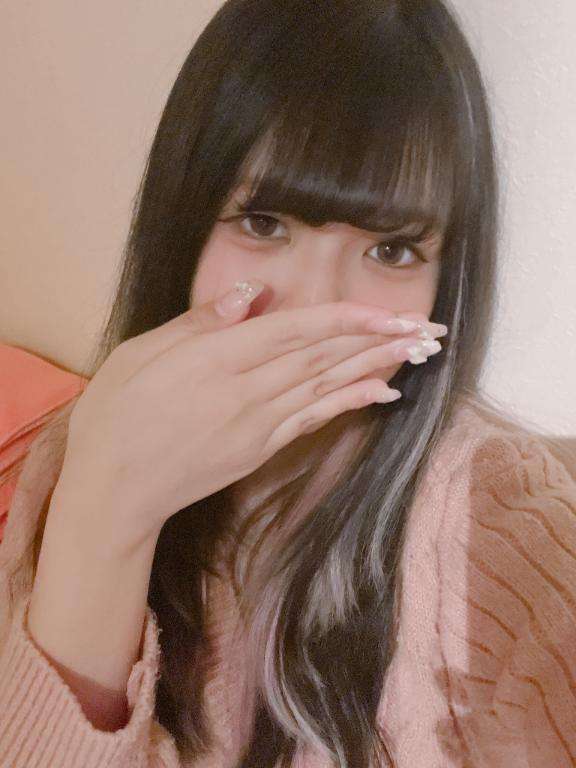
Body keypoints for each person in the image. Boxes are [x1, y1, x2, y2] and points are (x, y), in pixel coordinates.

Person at [0, 0, 575, 766]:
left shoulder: (498, 514)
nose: (318, 308)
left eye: (392, 250)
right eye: (265, 224)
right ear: (182, 232)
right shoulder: (78, 451)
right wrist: (104, 513)